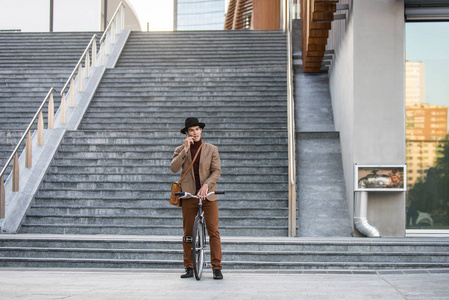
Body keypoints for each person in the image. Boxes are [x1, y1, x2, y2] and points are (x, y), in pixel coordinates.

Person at [169, 117, 223, 280]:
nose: (195, 132)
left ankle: (216, 267)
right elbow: (173, 168)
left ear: (201, 130)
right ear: (187, 133)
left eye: (197, 129)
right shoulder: (180, 149)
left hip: (209, 195)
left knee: (213, 231)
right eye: (191, 130)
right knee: (187, 233)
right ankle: (189, 267)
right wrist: (185, 150)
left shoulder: (211, 149)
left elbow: (217, 171)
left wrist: (207, 185)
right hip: (189, 195)